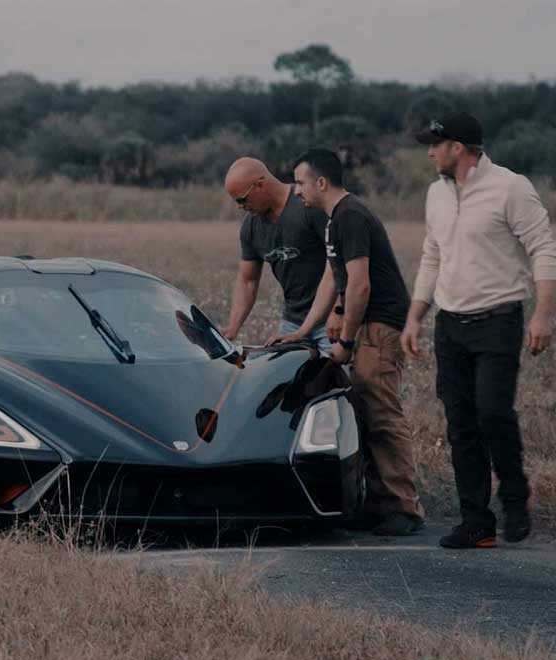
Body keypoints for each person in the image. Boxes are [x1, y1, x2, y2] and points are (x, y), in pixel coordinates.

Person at [402, 112, 556, 549]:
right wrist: (416, 315)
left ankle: (515, 497)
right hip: (450, 324)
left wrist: (544, 314)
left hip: (498, 319)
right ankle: (477, 522)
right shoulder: (436, 194)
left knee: (493, 412)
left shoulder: (510, 187)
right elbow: (433, 255)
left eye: (435, 144)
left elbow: (543, 248)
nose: (429, 152)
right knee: (460, 424)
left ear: (458, 147)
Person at [286, 148, 425, 536]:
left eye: (299, 182)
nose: (296, 191)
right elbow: (338, 280)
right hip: (365, 323)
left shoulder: (350, 216)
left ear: (321, 182)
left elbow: (361, 283)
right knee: (361, 411)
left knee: (381, 413)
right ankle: (378, 504)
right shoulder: (333, 221)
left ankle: (404, 508)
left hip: (380, 325)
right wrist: (307, 328)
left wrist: (346, 338)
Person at [222, 157, 332, 352]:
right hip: (293, 322)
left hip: (330, 318)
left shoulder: (308, 205)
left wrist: (340, 313)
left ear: (260, 185)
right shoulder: (250, 227)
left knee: (345, 377)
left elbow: (341, 263)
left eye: (242, 199)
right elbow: (247, 280)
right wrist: (232, 328)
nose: (240, 206)